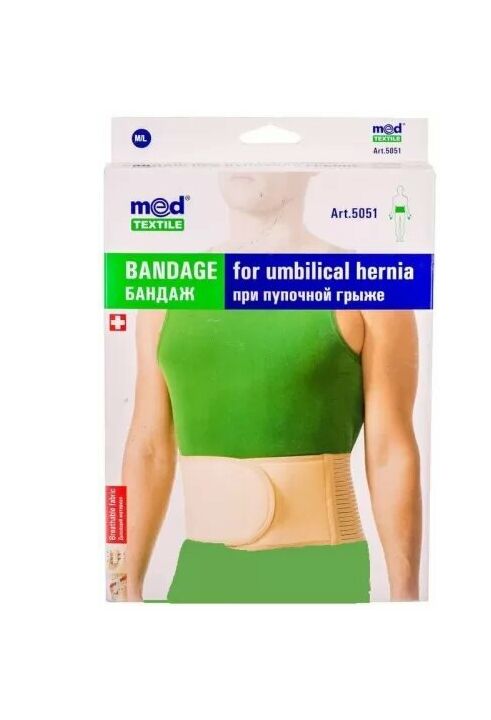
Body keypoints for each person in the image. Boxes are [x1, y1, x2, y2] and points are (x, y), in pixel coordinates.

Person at [123, 172, 421, 602]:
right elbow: (148, 449)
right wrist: (124, 584)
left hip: (321, 572)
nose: (244, 165)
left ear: (311, 165)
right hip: (202, 571)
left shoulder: (370, 286)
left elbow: (391, 450)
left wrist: (405, 597)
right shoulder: (170, 292)